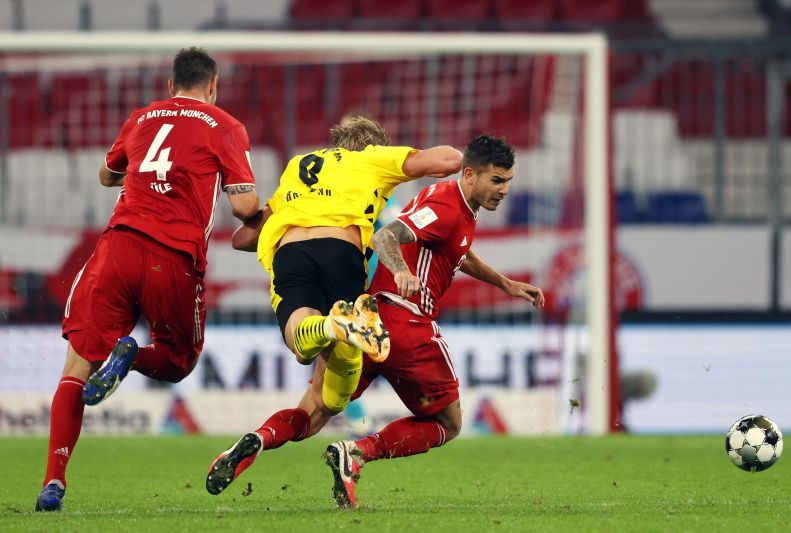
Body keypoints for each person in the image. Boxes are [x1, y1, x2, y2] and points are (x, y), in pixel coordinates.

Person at [206, 135, 545, 509]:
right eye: (497, 180)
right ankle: (358, 452)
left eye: (508, 180)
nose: (505, 189)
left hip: (366, 322)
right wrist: (400, 270)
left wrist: (505, 283)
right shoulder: (447, 204)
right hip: (406, 324)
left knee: (314, 411)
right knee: (448, 423)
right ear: (469, 174)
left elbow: (457, 251)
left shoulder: (453, 209)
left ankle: (258, 439)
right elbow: (386, 236)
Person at [35, 47, 261, 512]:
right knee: (179, 361)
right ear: (213, 85)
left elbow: (106, 175)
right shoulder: (225, 126)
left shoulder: (141, 118)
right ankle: (132, 354)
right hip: (172, 257)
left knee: (75, 369)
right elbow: (243, 207)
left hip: (117, 247)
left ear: (170, 83)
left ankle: (53, 483)